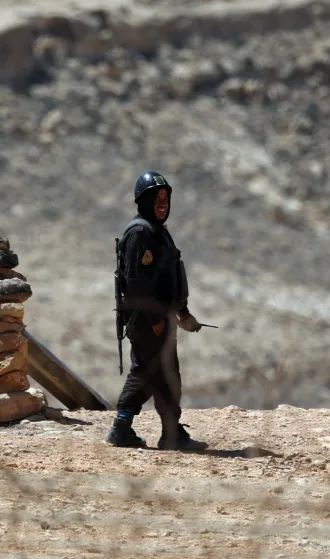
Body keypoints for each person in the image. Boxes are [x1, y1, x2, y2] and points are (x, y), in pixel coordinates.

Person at [106, 171, 209, 451]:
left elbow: (168, 276)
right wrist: (154, 320)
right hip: (147, 320)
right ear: (144, 201)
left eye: (166, 198)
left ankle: (150, 430)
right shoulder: (141, 233)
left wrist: (183, 313)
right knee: (154, 374)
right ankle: (141, 430)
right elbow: (138, 284)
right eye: (157, 198)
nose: (163, 203)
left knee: (157, 374)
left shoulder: (157, 231)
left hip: (160, 318)